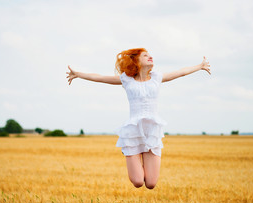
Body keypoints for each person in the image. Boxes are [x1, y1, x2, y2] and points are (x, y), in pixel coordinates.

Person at [66, 48, 211, 189]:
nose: (150, 57)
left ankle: (141, 161)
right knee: (138, 182)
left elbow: (181, 73)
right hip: (133, 132)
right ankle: (133, 158)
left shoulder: (157, 78)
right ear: (136, 61)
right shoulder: (127, 80)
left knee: (151, 184)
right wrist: (78, 74)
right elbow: (100, 78)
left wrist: (200, 66)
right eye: (145, 55)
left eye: (150, 55)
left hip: (152, 132)